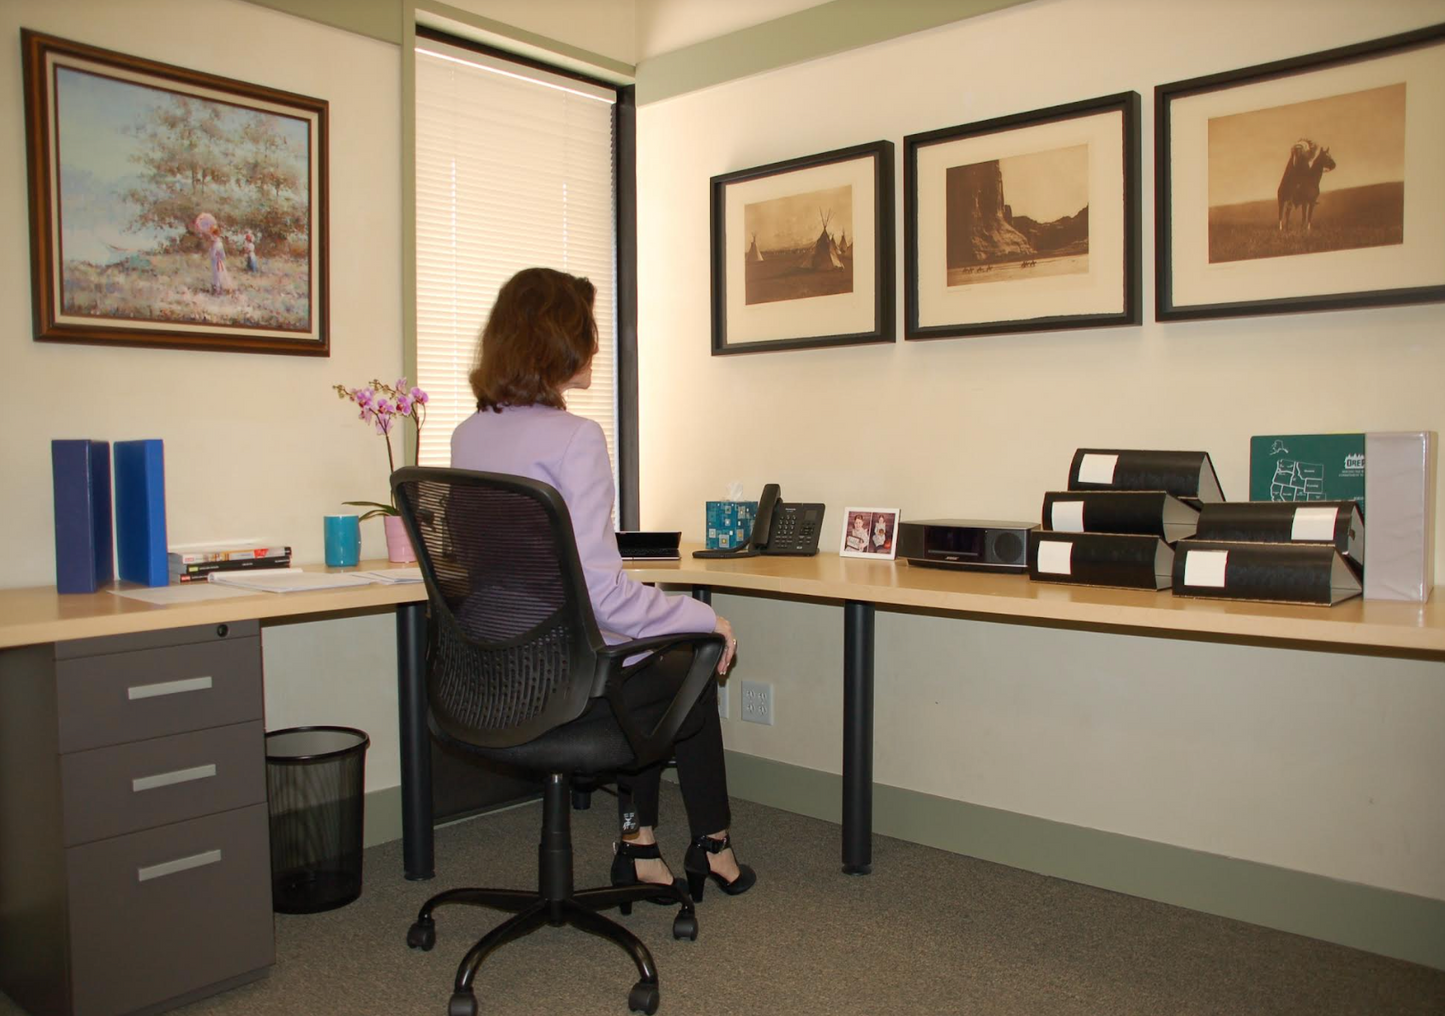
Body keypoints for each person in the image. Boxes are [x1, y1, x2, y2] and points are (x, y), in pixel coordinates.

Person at [451, 267, 755, 902]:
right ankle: (710, 847)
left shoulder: (469, 433)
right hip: (560, 678)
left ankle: (641, 846)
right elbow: (605, 596)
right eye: (588, 331)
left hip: (492, 671)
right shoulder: (576, 438)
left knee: (651, 649)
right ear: (560, 340)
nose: (595, 345)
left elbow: (534, 577)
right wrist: (707, 618)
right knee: (691, 655)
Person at [208, 226, 231, 294]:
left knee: (218, 275)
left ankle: (218, 290)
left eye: (212, 235)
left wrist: (216, 255)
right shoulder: (214, 243)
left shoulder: (218, 244)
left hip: (217, 262)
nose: (211, 237)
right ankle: (216, 288)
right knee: (215, 275)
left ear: (216, 235)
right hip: (215, 262)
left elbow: (222, 255)